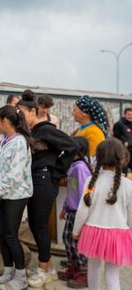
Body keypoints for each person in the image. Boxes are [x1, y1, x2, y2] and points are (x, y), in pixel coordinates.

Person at [17, 89, 79, 288]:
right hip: (35, 180)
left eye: (22, 113)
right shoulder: (32, 132)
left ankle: (47, 269)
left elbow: (72, 146)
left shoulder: (46, 129)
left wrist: (57, 171)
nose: (19, 116)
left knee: (40, 225)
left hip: (45, 181)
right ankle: (46, 264)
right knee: (35, 223)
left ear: (32, 111)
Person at [73, 138, 132, 290]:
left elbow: (83, 209)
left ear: (98, 157)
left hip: (93, 232)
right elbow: (131, 213)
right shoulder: (128, 185)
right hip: (118, 234)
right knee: (113, 274)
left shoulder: (90, 182)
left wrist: (76, 231)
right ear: (122, 158)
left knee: (93, 268)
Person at [0, 105, 33, 289]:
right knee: (2, 234)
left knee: (11, 235)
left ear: (5, 121)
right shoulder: (6, 140)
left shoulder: (20, 142)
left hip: (16, 196)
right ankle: (8, 272)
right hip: (3, 195)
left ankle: (21, 277)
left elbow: (14, 175)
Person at [57, 137, 91, 288]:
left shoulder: (80, 168)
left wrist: (83, 214)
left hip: (79, 213)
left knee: (76, 243)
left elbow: (84, 193)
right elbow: (72, 191)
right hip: (71, 211)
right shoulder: (74, 166)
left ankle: (83, 273)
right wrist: (65, 207)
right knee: (67, 239)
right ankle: (74, 267)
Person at [113, 108, 132, 173]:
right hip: (124, 152)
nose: (130, 116)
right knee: (123, 171)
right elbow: (115, 138)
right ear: (124, 115)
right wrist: (123, 143)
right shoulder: (119, 125)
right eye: (129, 114)